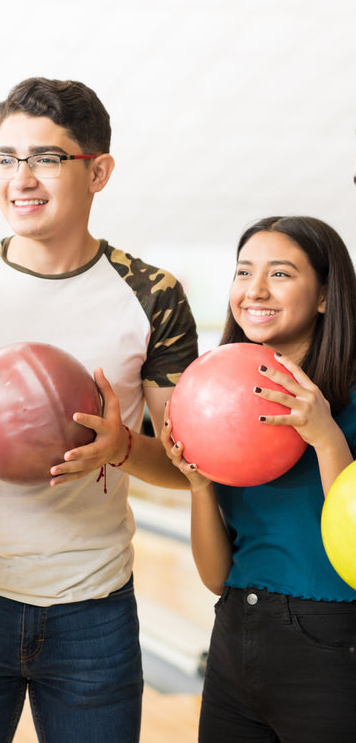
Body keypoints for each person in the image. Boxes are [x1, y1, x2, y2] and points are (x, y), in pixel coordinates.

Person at [0, 77, 199, 743]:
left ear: (97, 171)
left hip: (93, 609)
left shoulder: (151, 294)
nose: (20, 177)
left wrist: (122, 446)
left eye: (45, 157)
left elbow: (189, 468)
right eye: (6, 158)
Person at [162, 215, 356, 743]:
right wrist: (199, 484)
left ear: (324, 296)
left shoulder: (352, 403)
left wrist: (325, 437)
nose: (256, 290)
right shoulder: (223, 403)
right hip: (235, 637)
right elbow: (217, 577)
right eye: (244, 272)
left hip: (332, 647)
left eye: (281, 274)